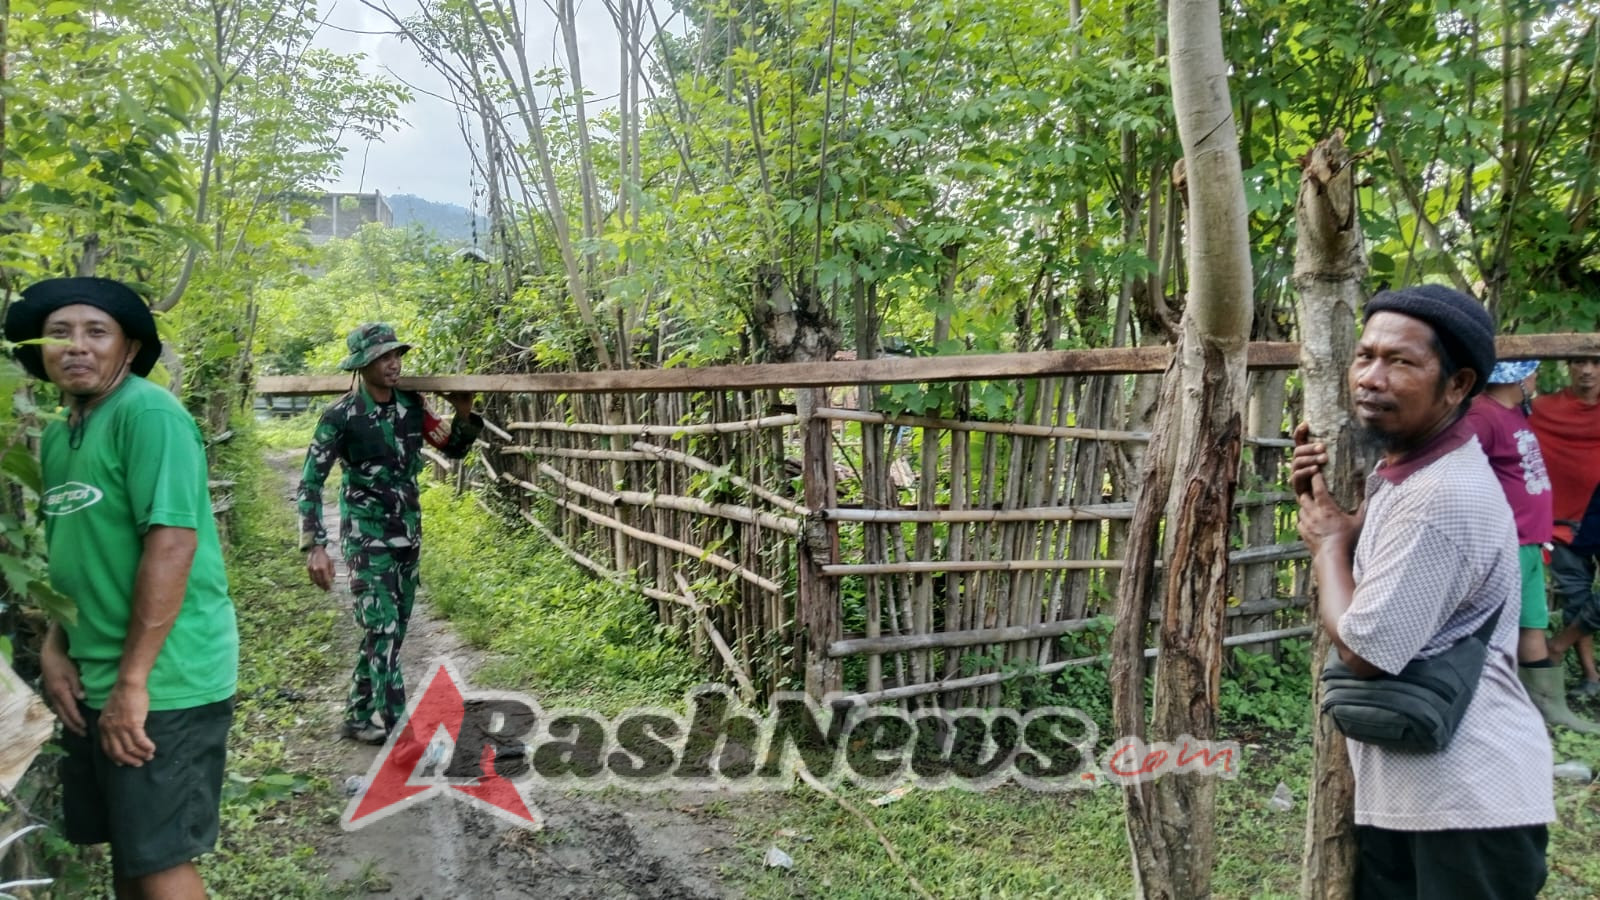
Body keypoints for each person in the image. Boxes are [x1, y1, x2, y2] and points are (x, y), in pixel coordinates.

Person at [1293, 285, 1552, 899]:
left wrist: (1330, 546)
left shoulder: (1442, 497)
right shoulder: (1412, 470)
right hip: (1424, 796)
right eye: (1366, 356)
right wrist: (1348, 526)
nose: (1372, 377)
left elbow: (1364, 649)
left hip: (1467, 804)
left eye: (1402, 362)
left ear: (1458, 384)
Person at [4, 277, 239, 899]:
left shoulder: (149, 415)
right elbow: (84, 554)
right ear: (41, 348)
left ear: (128, 349)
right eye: (60, 333)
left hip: (164, 677)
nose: (76, 346)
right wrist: (59, 640)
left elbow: (172, 545)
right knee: (132, 857)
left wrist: (133, 683)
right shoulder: (61, 434)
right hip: (97, 672)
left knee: (161, 864)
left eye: (95, 332)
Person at [296, 323, 482, 744]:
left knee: (390, 633)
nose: (393, 362)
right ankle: (404, 736)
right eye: (383, 356)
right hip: (366, 540)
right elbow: (310, 483)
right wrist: (315, 546)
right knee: (381, 631)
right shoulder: (340, 417)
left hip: (408, 536)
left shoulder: (412, 407)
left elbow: (452, 447)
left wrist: (465, 413)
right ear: (363, 364)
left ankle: (357, 717)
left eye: (396, 354)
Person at [1461, 359, 1600, 731]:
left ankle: (1550, 709)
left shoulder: (1516, 414)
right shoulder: (1483, 415)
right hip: (1509, 540)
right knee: (1500, 628)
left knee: (1532, 625)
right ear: (1518, 376)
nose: (1538, 378)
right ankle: (1489, 709)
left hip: (1532, 541)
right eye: (1533, 371)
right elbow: (1463, 471)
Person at [1530, 356, 1600, 697]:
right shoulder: (1542, 410)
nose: (1587, 370)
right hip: (1561, 522)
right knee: (1576, 597)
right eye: (1578, 362)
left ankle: (1557, 646)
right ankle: (1591, 678)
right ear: (1568, 367)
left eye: (1596, 362)